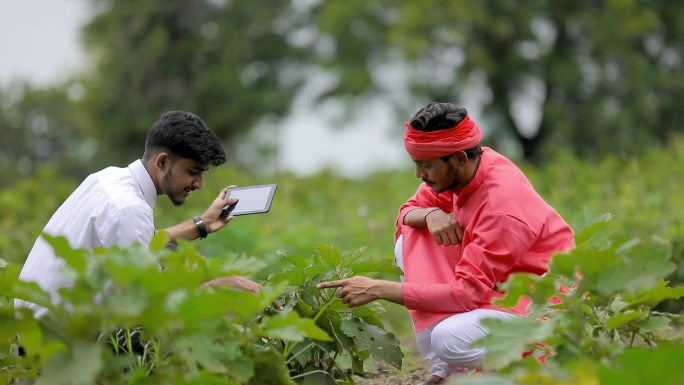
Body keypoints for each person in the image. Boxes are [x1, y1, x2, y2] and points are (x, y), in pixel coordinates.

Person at [317, 102, 574, 384]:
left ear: (460, 159)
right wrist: (430, 213)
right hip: (497, 288)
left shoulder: (501, 207)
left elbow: (465, 294)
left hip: (541, 305)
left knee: (449, 340)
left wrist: (378, 288)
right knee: (412, 235)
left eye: (425, 166)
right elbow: (407, 212)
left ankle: (537, 359)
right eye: (417, 164)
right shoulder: (466, 171)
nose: (419, 175)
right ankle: (446, 371)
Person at [16, 110, 264, 317]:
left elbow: (142, 240)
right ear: (162, 162)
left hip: (32, 328)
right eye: (193, 171)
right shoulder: (128, 208)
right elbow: (151, 305)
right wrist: (222, 286)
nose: (199, 184)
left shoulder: (108, 177)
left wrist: (204, 224)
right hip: (50, 345)